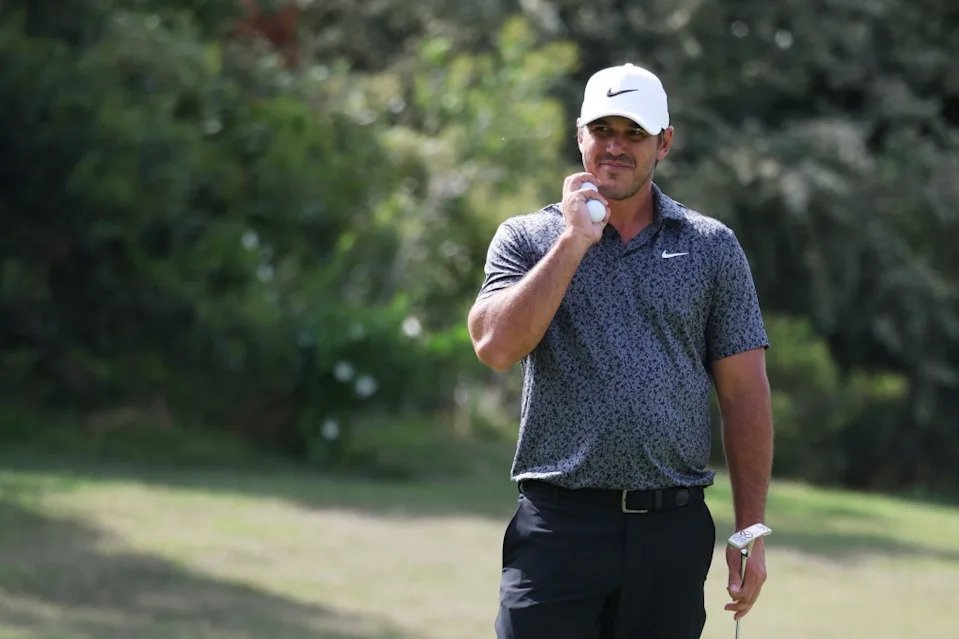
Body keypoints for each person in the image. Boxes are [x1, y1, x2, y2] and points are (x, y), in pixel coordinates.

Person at [467, 63, 774, 639]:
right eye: (602, 130)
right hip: (559, 528)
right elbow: (494, 346)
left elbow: (745, 393)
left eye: (633, 134)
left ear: (664, 142)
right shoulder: (528, 239)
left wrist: (750, 530)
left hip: (671, 532)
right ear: (580, 134)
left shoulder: (712, 248)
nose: (615, 146)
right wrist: (572, 242)